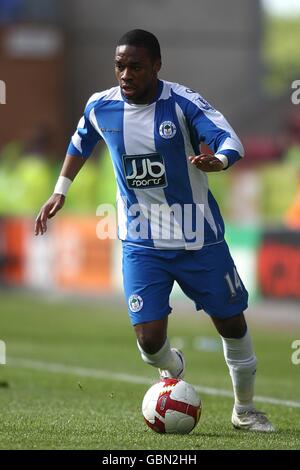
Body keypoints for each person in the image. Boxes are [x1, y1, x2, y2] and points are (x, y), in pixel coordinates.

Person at [35, 29, 274, 432]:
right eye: (119, 66)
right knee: (148, 343)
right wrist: (60, 190)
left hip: (199, 239)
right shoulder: (101, 106)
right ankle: (173, 368)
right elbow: (80, 142)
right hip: (142, 243)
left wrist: (220, 159)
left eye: (135, 66)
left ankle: (245, 410)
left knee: (232, 324)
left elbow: (228, 138)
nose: (125, 74)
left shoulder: (182, 104)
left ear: (157, 66)